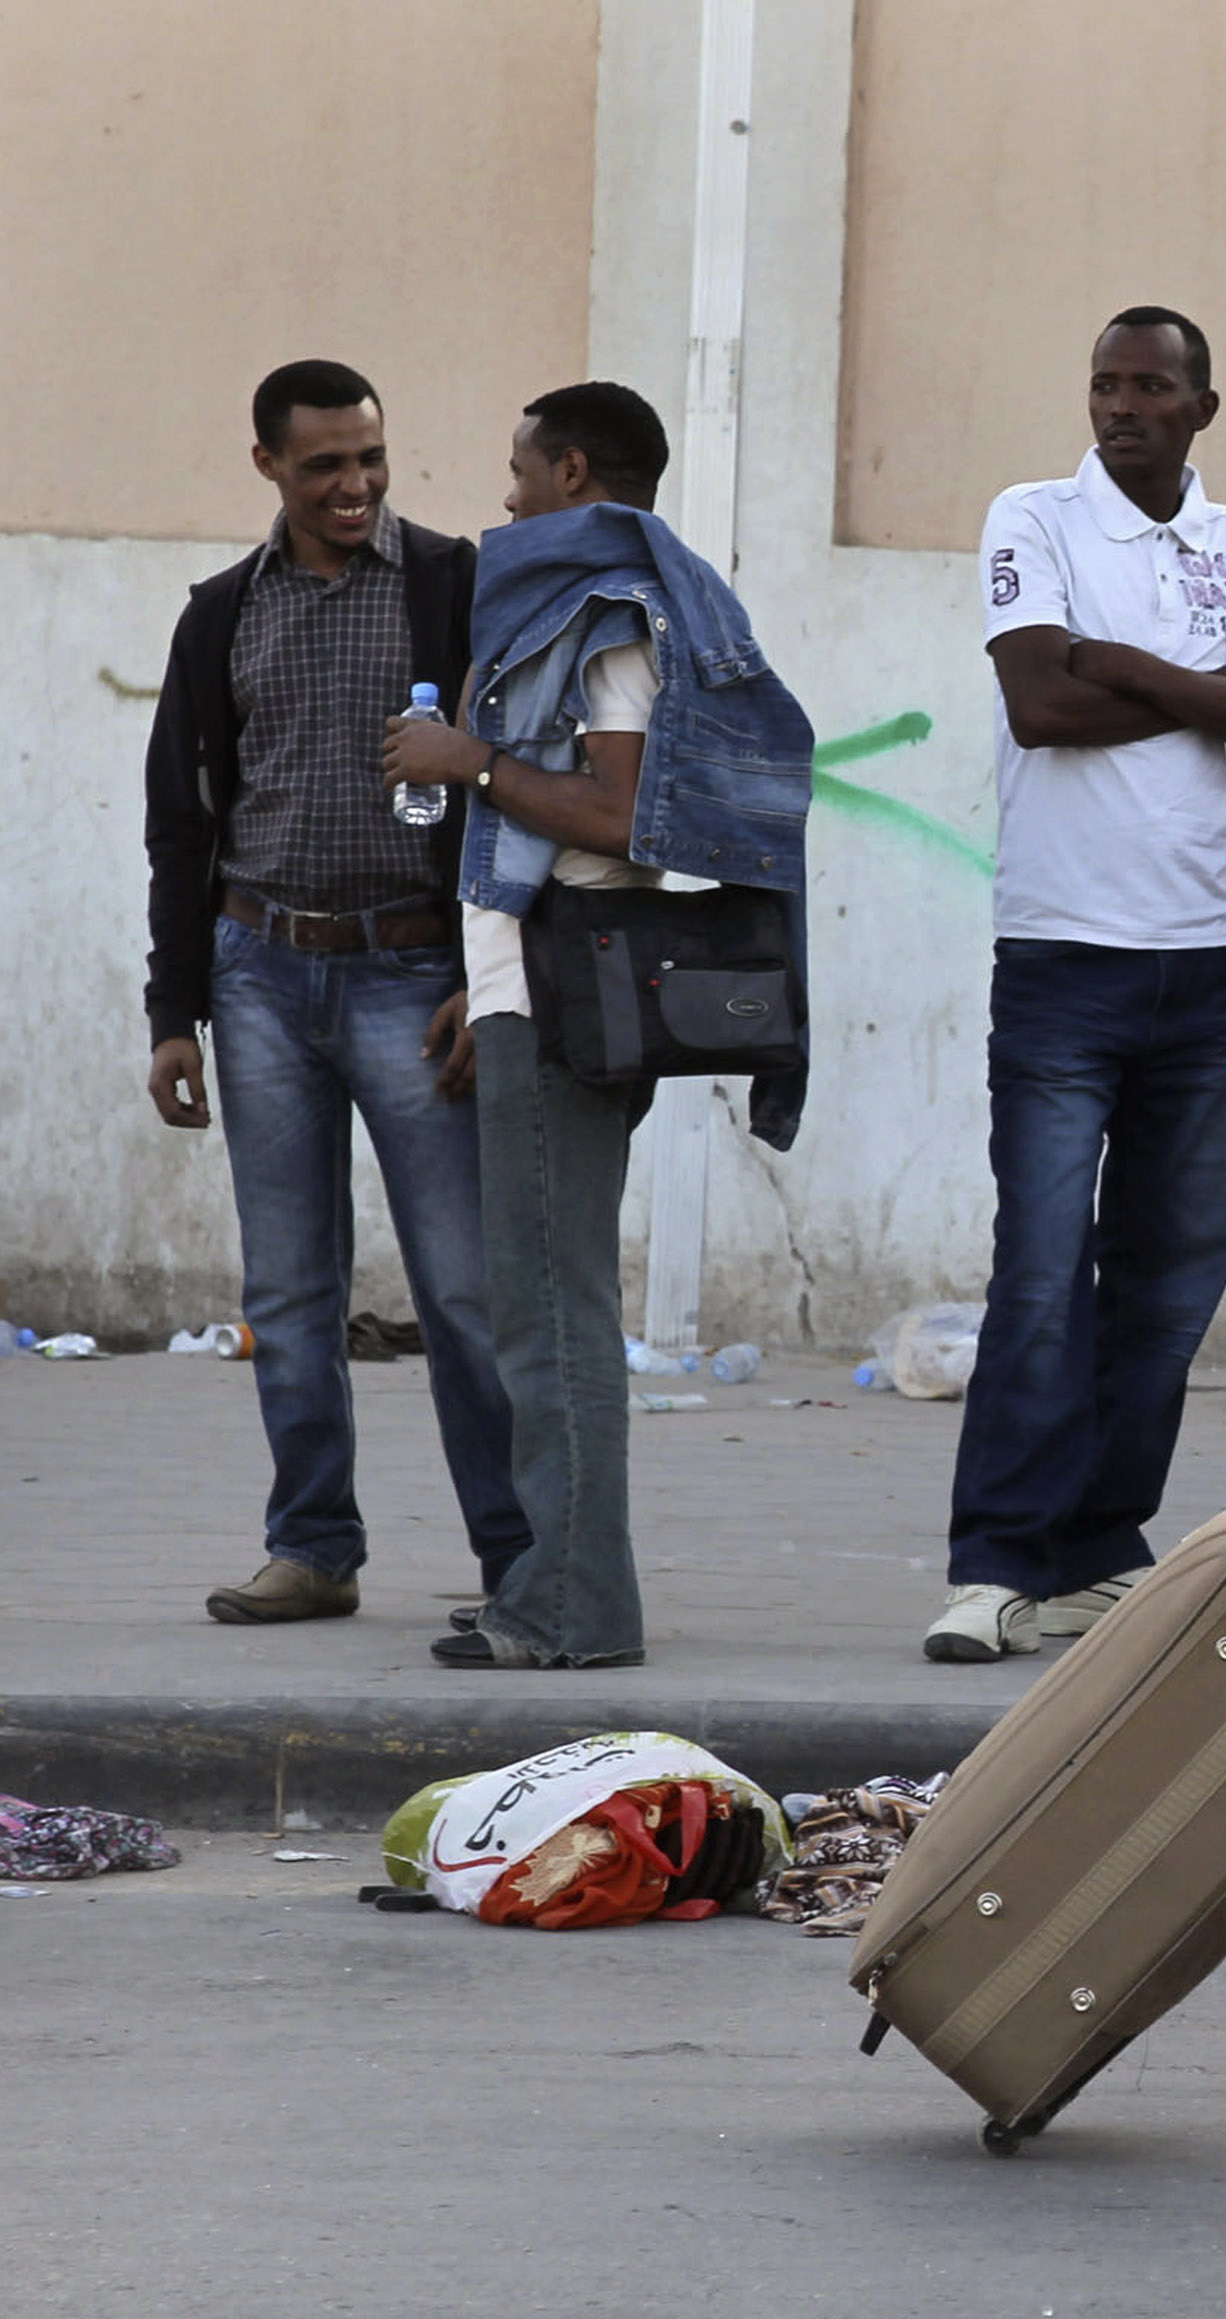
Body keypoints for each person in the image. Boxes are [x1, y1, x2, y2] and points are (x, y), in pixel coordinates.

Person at [380, 381, 814, 1668]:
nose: (505, 495)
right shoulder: (590, 599)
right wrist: (485, 973)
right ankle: (553, 1581)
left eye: (519, 468)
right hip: (537, 983)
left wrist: (471, 763)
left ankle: (568, 1602)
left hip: (566, 1001)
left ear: (572, 471)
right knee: (536, 1295)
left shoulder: (610, 615)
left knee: (548, 1307)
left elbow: (625, 821)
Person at [907, 310, 1226, 1662]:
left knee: (1173, 1278)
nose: (1122, 407)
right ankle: (992, 1562)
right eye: (1105, 383)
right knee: (1040, 1272)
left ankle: (1094, 1551)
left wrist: (1136, 664)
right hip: (1063, 961)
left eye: (1152, 388)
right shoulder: (1033, 518)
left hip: (1203, 970)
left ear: (1205, 406)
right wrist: (1214, 690)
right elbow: (1042, 706)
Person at [141, 359, 530, 1626]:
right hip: (258, 978)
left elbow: (511, 784)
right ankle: (313, 1546)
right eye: (324, 465)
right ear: (270, 468)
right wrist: (172, 1012)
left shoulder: (453, 586)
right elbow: (181, 828)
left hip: (416, 973)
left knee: (463, 1290)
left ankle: (520, 1559)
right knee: (289, 1291)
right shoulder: (219, 616)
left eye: (369, 456)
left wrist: (488, 975)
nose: (355, 484)